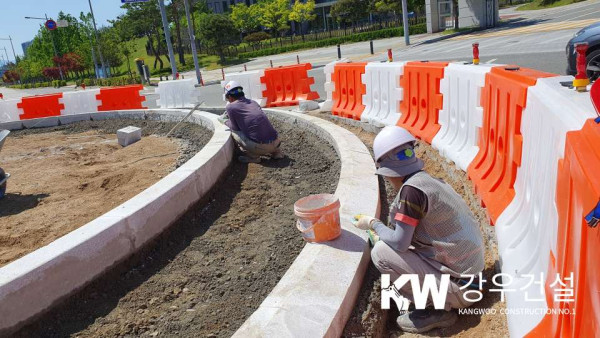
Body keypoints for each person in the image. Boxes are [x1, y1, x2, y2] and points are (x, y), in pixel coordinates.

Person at [353, 126, 485, 334]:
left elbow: (399, 242)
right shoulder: (428, 182)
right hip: (474, 282)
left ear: (388, 171)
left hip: (461, 291)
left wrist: (373, 224)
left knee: (381, 253)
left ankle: (435, 310)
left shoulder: (411, 192)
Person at [221, 81, 284, 163]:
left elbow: (235, 127)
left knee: (234, 132)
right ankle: (276, 153)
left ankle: (253, 157)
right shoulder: (253, 102)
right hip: (276, 143)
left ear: (230, 97)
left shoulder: (230, 107)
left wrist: (225, 121)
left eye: (228, 99)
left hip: (260, 148)